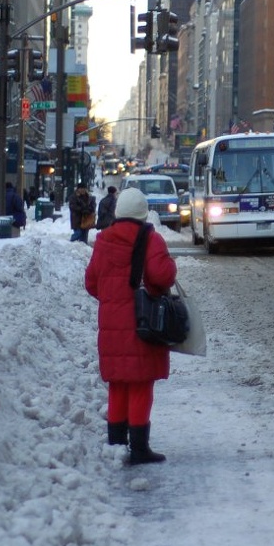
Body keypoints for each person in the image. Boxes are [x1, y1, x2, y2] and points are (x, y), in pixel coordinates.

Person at [84, 187, 177, 465]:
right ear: (142, 212)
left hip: (112, 325)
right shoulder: (151, 239)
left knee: (118, 384)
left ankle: (115, 442)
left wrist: (112, 300)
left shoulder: (103, 241)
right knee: (139, 385)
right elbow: (162, 275)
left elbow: (91, 282)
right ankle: (138, 448)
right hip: (142, 323)